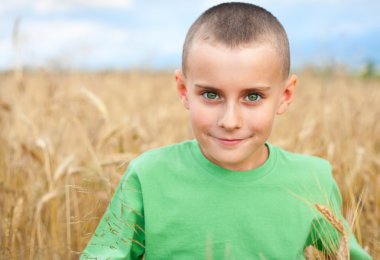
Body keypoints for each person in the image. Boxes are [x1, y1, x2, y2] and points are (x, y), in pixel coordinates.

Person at [81, 2, 371, 259]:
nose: (230, 121)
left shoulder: (312, 181)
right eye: (211, 95)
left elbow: (345, 253)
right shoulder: (147, 176)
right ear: (183, 90)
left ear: (285, 96)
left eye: (253, 96)